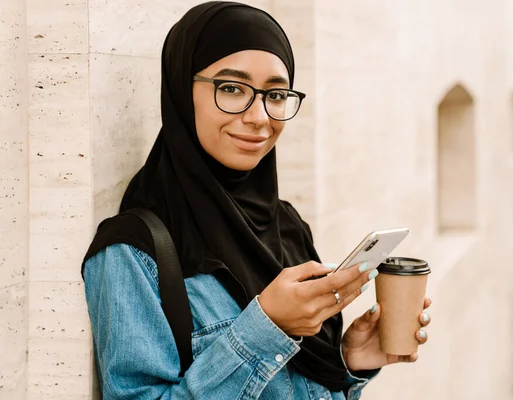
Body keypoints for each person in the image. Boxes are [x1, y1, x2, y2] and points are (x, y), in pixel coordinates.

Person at [82, 2, 432, 399]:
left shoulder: (286, 226)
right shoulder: (133, 251)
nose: (260, 117)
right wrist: (266, 328)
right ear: (182, 89)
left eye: (276, 94)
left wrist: (346, 362)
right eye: (231, 88)